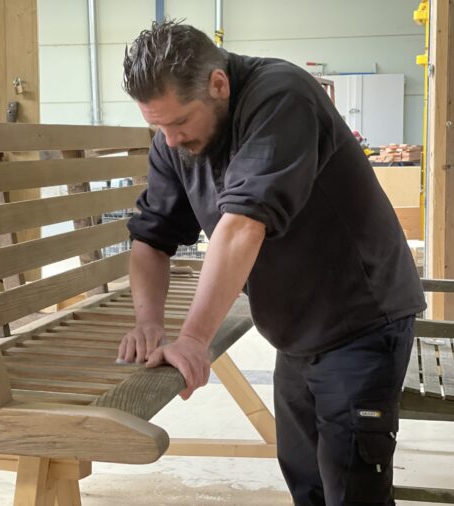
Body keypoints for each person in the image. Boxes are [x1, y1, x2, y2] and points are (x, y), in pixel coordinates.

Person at [117, 20, 426, 506]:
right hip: (294, 331)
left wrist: (193, 340)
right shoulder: (173, 142)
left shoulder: (282, 97)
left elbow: (243, 225)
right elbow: (151, 238)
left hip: (360, 322)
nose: (170, 140)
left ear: (218, 84)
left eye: (179, 122)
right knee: (307, 482)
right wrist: (148, 323)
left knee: (352, 490)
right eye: (158, 126)